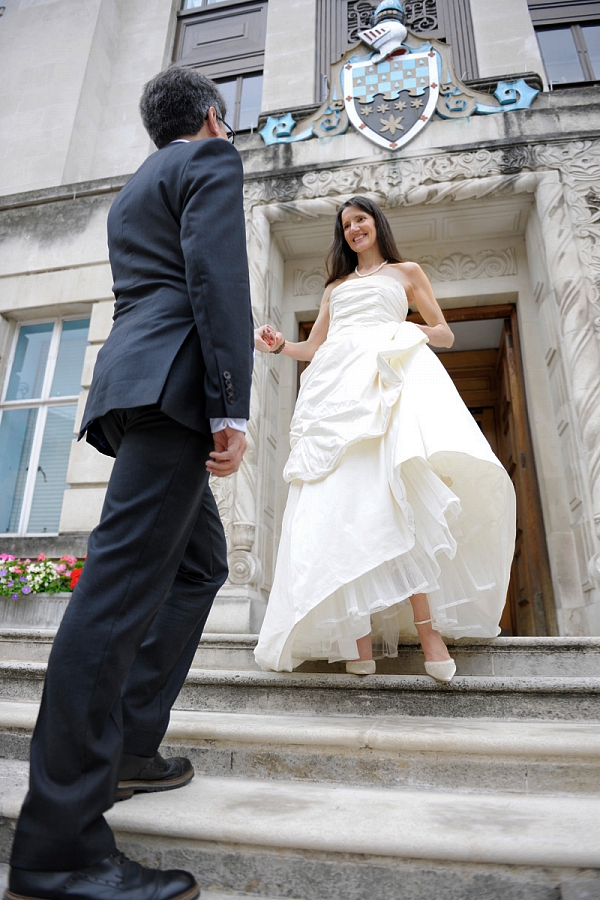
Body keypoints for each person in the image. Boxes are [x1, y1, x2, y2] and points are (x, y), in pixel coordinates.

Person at [6, 67, 253, 900]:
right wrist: (232, 407)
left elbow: (152, 290)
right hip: (178, 390)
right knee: (111, 596)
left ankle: (130, 747)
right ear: (213, 118)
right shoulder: (212, 162)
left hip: (136, 381)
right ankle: (59, 848)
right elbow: (216, 279)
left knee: (197, 566)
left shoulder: (134, 187)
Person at [254, 197, 515, 679]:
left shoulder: (407, 272)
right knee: (345, 505)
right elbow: (313, 347)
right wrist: (278, 346)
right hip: (335, 392)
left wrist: (397, 329)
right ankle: (358, 643)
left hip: (387, 380)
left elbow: (444, 334)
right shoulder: (335, 287)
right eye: (346, 225)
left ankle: (429, 634)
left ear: (376, 224)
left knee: (398, 500)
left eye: (361, 220)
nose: (354, 229)